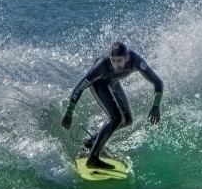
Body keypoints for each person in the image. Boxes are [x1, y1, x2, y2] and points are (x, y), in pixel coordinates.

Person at [62, 41, 163, 169]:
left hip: (113, 82)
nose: (116, 65)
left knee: (127, 120)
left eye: (119, 61)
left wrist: (156, 106)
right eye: (113, 61)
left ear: (127, 58)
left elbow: (157, 82)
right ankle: (93, 159)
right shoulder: (101, 66)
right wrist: (69, 113)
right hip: (99, 84)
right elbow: (79, 88)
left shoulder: (136, 61)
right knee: (116, 118)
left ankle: (91, 142)